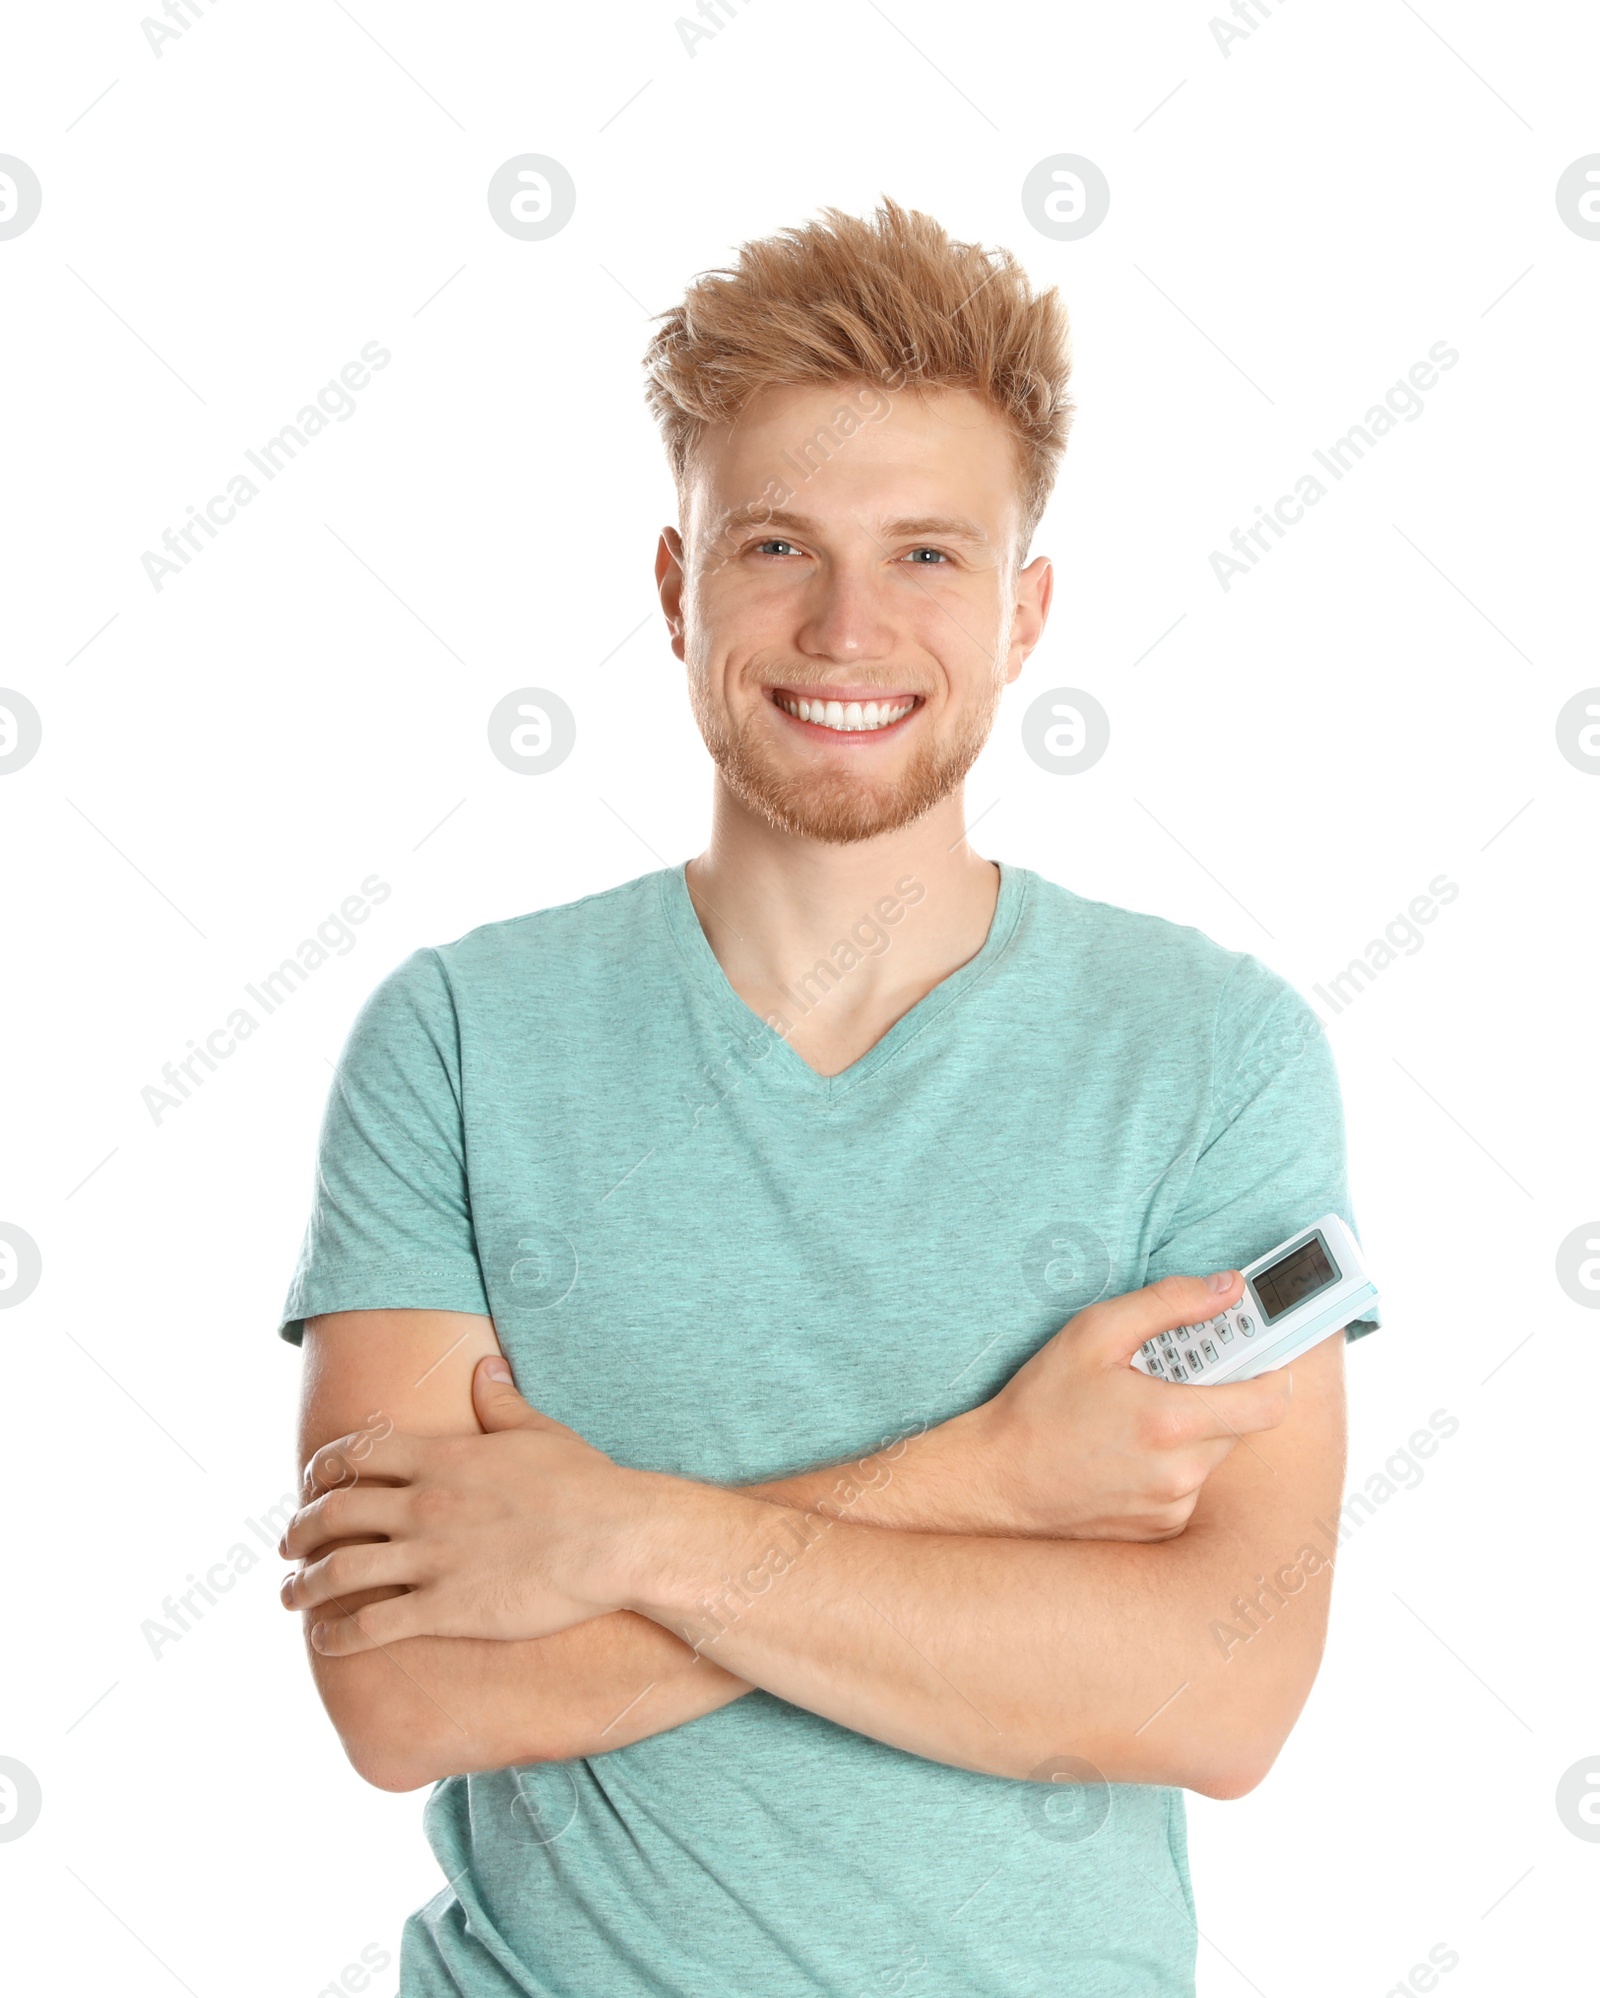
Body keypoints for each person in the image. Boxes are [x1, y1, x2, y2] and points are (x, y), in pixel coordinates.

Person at [276, 197, 1378, 1997]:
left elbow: (1217, 1688)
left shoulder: (1215, 1054)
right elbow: (407, 1693)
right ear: (675, 585)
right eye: (777, 542)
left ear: (1025, 613)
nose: (848, 626)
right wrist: (992, 1482)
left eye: (929, 555)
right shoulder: (463, 1036)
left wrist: (618, 1532)